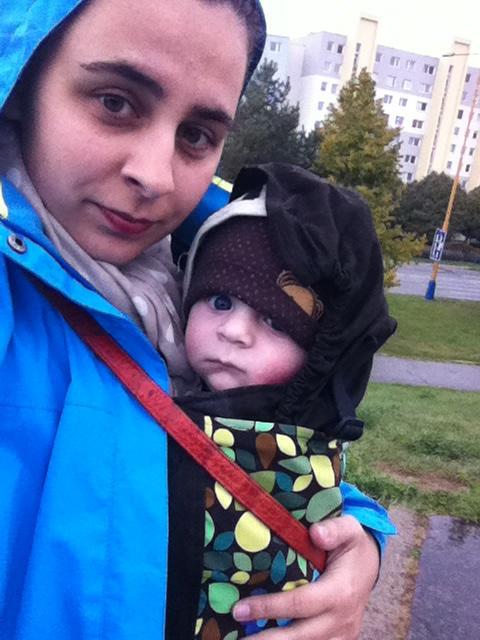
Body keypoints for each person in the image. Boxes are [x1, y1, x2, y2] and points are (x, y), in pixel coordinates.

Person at [0, 1, 394, 639]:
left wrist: (358, 546)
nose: (154, 177)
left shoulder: (200, 270)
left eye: (197, 135)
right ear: (22, 80)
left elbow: (243, 444)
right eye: (116, 102)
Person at [165, 163, 396, 638]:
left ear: (320, 358)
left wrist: (368, 535)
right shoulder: (157, 389)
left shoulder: (305, 434)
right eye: (220, 302)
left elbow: (329, 496)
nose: (234, 331)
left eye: (275, 322)